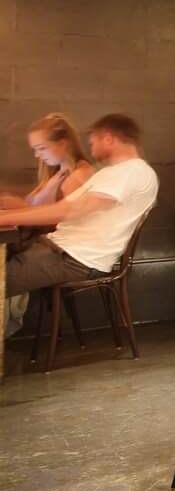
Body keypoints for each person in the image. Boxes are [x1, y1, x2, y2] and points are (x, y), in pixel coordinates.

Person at [2, 114, 159, 336]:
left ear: (108, 138)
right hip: (59, 250)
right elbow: (66, 207)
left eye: (93, 141)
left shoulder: (131, 171)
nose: (90, 147)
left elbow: (70, 210)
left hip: (74, 259)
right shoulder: (112, 173)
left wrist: (6, 218)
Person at [0, 113, 95, 209]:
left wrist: (22, 207)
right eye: (35, 149)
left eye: (42, 148)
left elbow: (69, 218)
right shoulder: (57, 174)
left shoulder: (79, 175)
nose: (37, 155)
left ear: (62, 144)